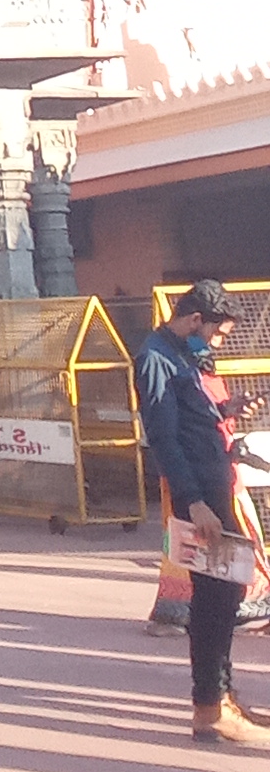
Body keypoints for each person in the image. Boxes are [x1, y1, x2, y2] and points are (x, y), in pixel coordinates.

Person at [135, 279, 270, 747]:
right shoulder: (156, 358)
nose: (216, 343)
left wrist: (226, 409)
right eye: (216, 333)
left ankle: (223, 697)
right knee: (214, 598)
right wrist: (193, 503)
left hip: (213, 486)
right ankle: (209, 708)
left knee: (227, 594)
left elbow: (192, 419)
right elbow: (165, 439)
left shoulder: (184, 355)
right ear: (196, 320)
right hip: (199, 498)